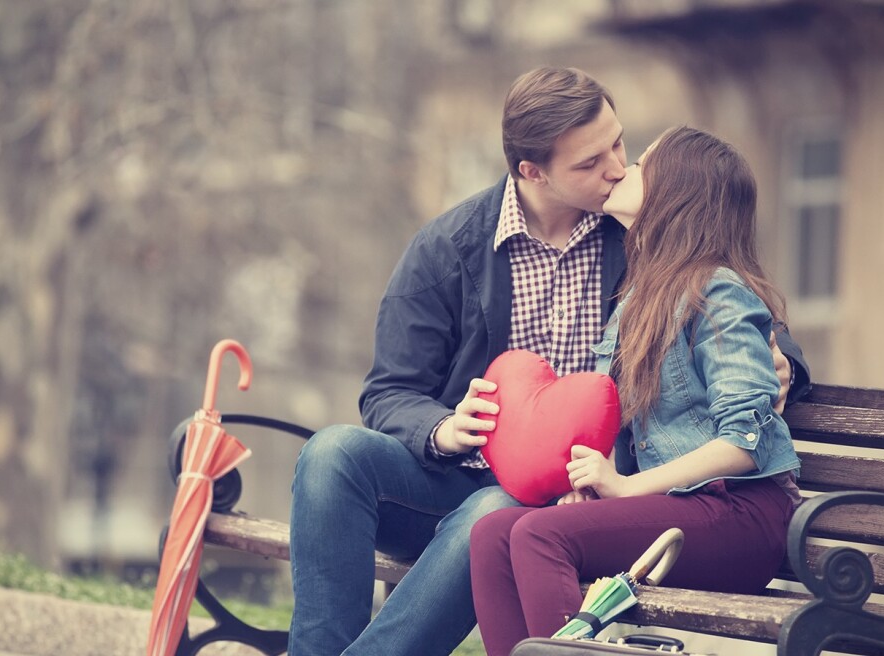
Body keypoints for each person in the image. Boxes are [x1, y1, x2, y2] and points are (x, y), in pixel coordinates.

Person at [289, 67, 810, 656]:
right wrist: (443, 429)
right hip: (462, 471)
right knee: (333, 451)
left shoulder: (645, 234)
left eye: (619, 144)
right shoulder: (449, 246)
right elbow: (388, 392)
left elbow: (738, 307)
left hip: (577, 488)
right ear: (532, 171)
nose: (616, 167)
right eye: (589, 164)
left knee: (498, 512)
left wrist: (784, 361)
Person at [468, 126, 805, 656]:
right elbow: (626, 424)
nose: (625, 170)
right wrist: (594, 485)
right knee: (492, 534)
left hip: (742, 515)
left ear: (677, 194)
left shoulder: (718, 291)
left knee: (541, 536)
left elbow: (744, 443)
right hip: (680, 510)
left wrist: (624, 489)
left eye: (645, 164)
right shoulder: (638, 301)